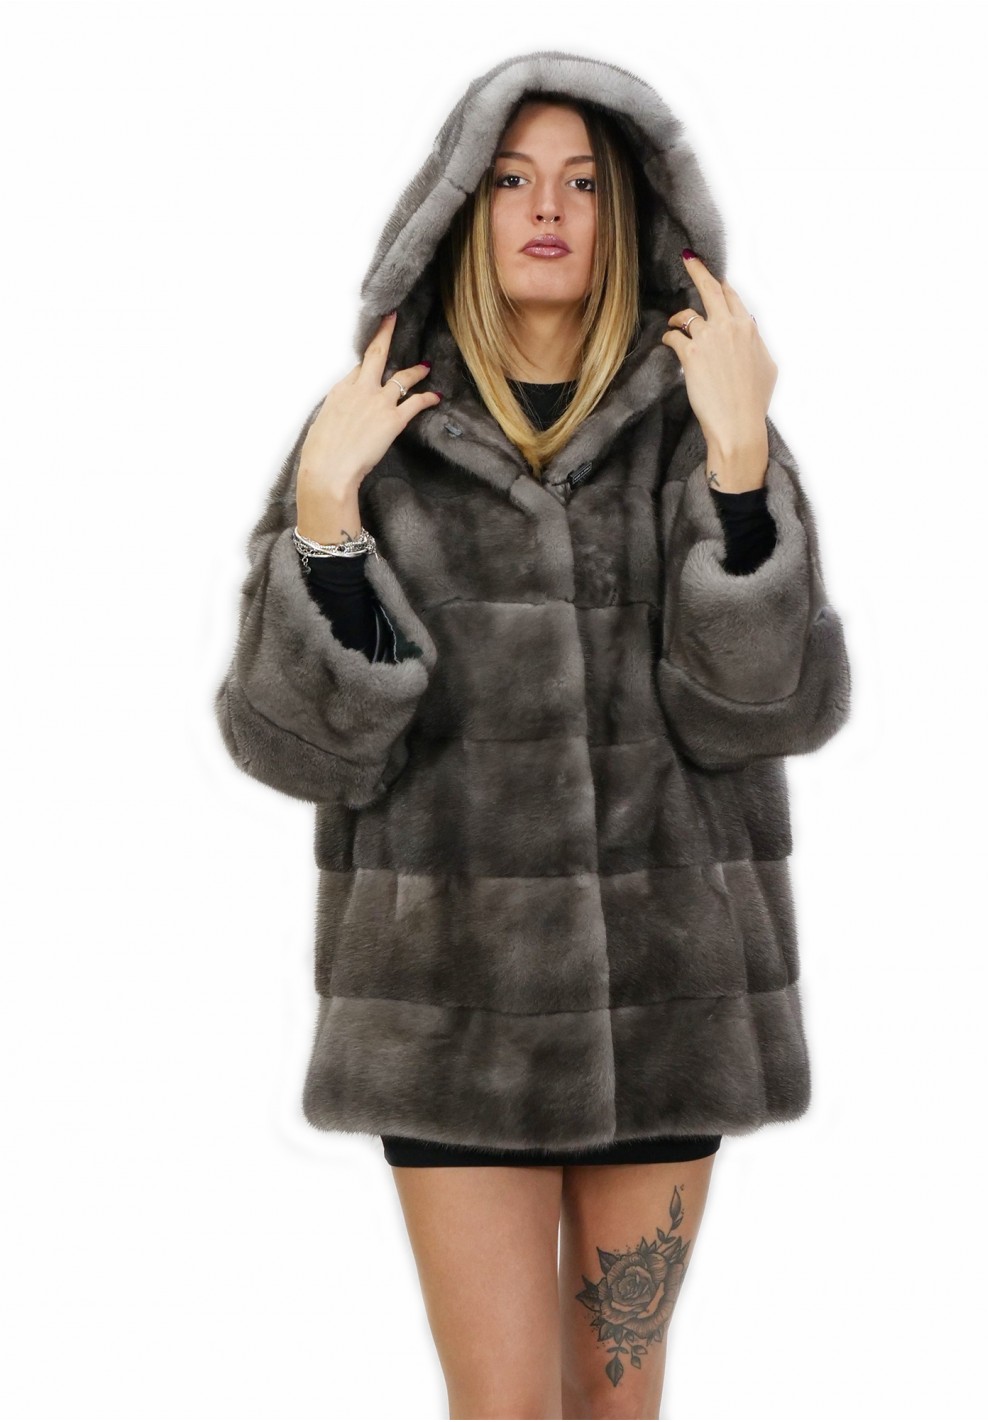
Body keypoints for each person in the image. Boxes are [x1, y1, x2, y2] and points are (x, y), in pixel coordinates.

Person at [214, 50, 851, 1420]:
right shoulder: (370, 435)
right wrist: (324, 521)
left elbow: (764, 708)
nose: (546, 208)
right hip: (447, 1004)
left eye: (581, 182)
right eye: (510, 180)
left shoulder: (707, 426)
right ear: (460, 207)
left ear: (630, 214)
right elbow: (299, 747)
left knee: (618, 1402)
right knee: (499, 1408)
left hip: (669, 1000)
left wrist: (742, 473)